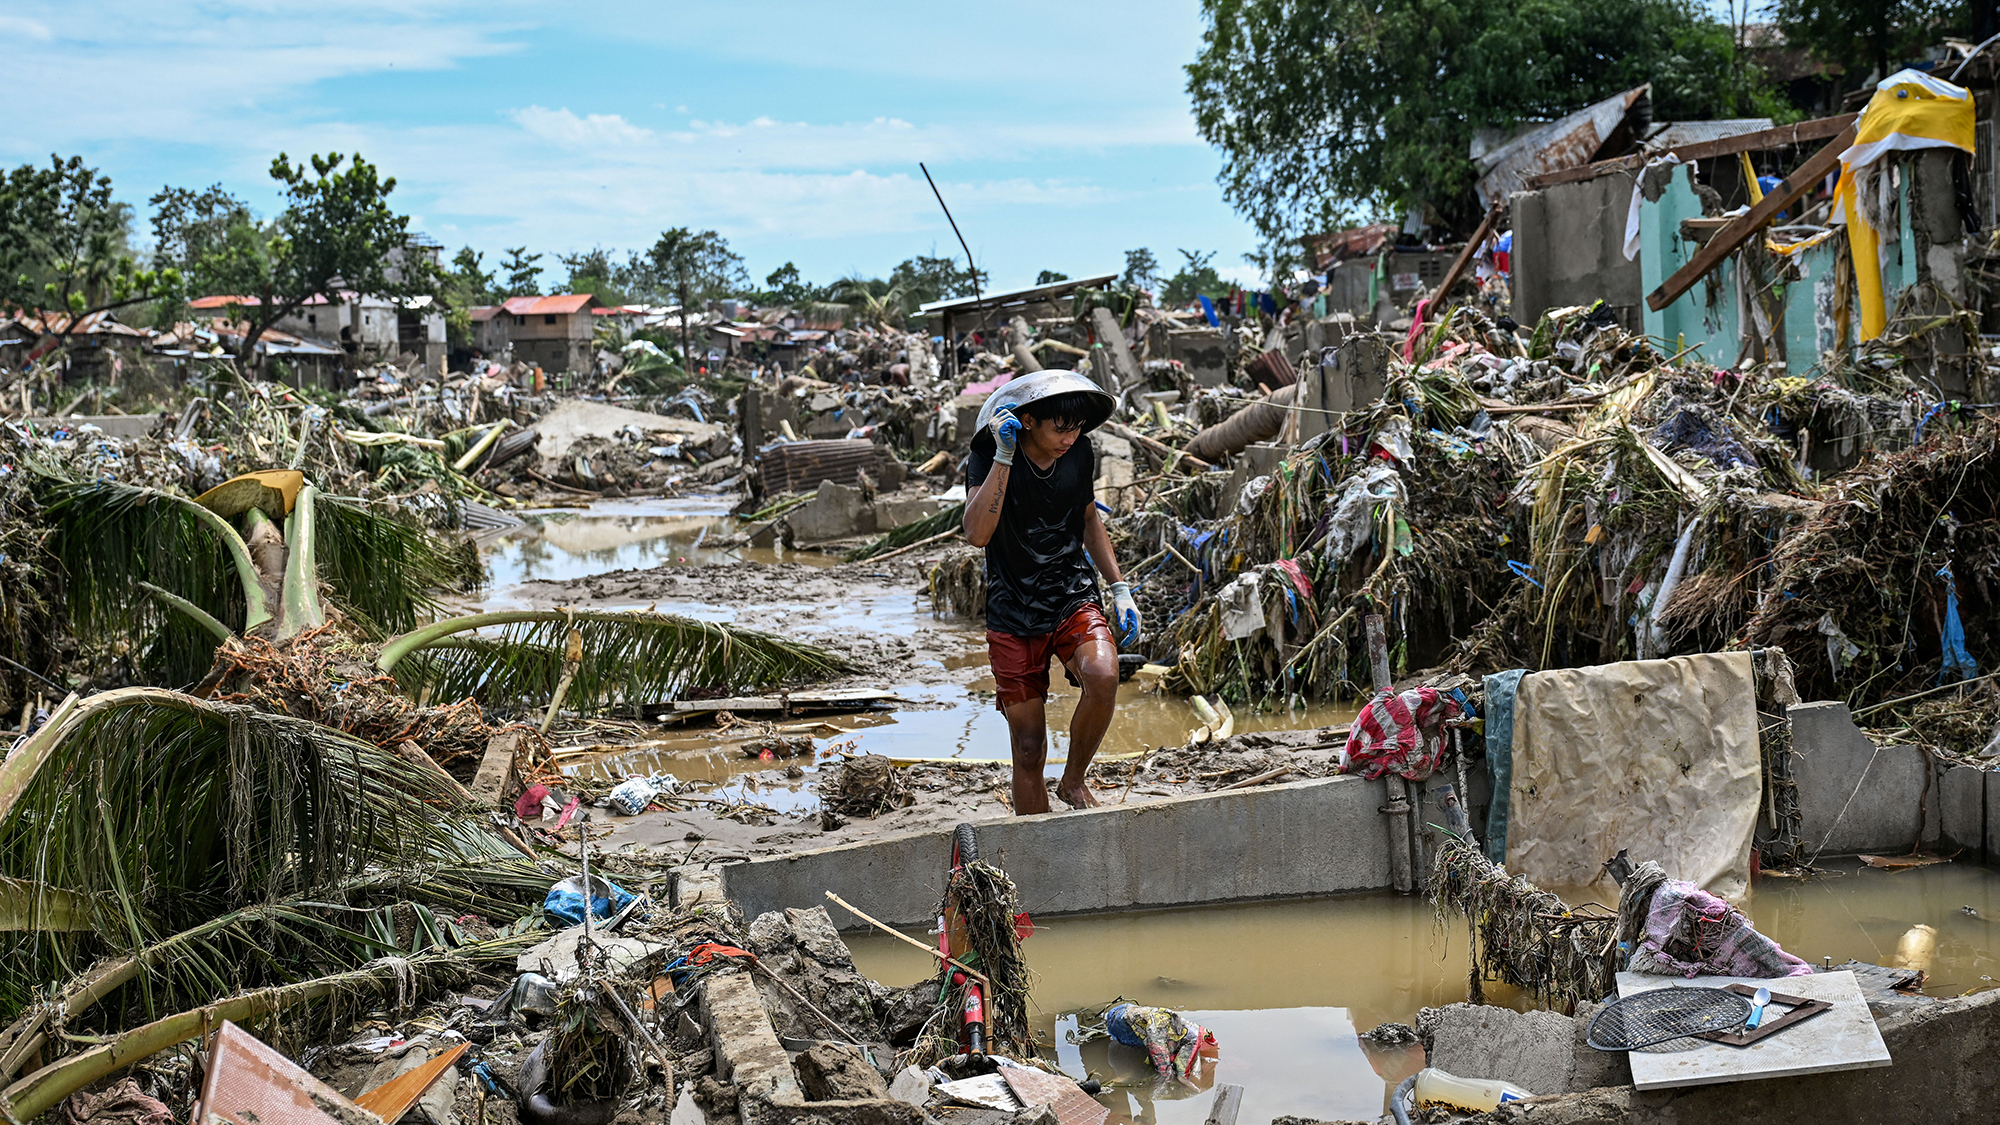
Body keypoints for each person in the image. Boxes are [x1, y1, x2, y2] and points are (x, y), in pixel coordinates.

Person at [962, 372, 1141, 814]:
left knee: (1102, 675)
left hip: (1070, 593)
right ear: (1027, 421)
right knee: (1028, 746)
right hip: (1013, 609)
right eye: (1060, 427)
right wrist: (1005, 457)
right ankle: (1037, 848)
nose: (1071, 437)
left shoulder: (1079, 452)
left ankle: (1074, 782)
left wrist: (1119, 588)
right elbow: (977, 534)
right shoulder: (988, 455)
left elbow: (1087, 519)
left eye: (1077, 427)